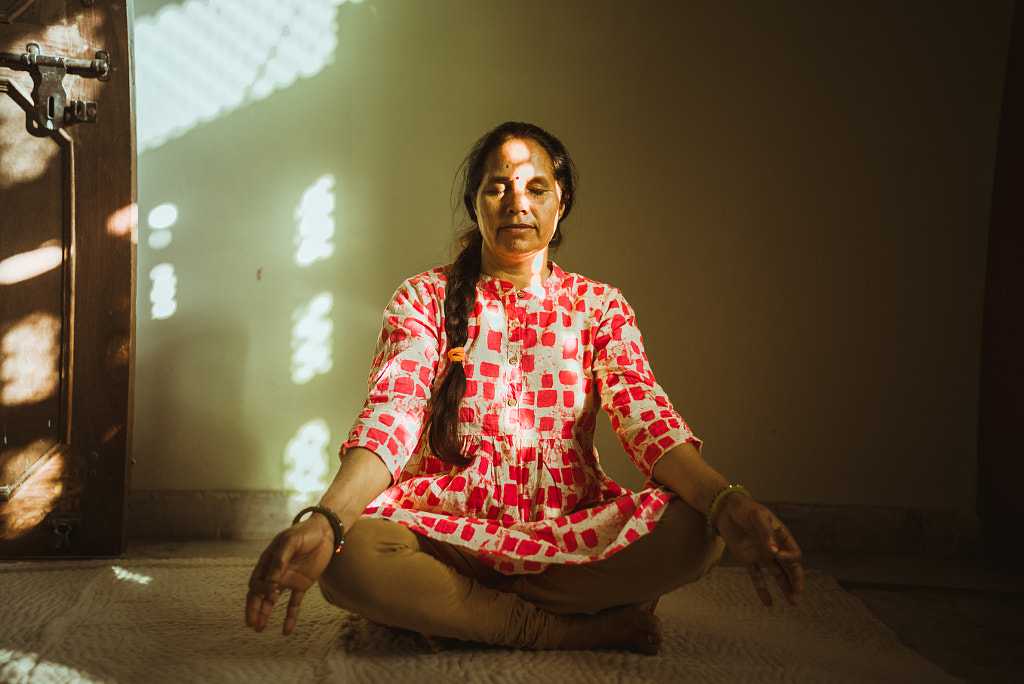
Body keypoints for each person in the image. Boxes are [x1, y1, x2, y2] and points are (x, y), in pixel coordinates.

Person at [245, 121, 804, 653]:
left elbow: (646, 418)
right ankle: (563, 630)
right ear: (476, 205)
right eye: (498, 188)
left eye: (537, 187)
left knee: (698, 531)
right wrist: (327, 517)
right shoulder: (422, 299)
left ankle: (462, 617)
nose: (518, 202)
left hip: (567, 537)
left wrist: (729, 501)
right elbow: (393, 413)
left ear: (561, 205)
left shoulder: (599, 307)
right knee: (350, 557)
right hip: (446, 537)